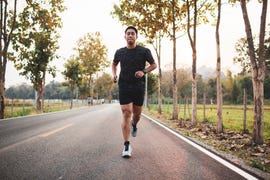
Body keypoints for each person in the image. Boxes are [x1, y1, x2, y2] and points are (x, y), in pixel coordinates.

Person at [111, 26, 157, 158]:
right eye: (128, 34)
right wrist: (114, 74)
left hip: (138, 86)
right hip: (124, 85)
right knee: (126, 112)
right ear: (125, 37)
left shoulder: (144, 51)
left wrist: (143, 71)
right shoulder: (119, 52)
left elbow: (154, 65)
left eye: (132, 34)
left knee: (137, 115)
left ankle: (134, 124)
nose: (130, 35)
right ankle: (126, 144)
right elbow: (114, 64)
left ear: (136, 36)